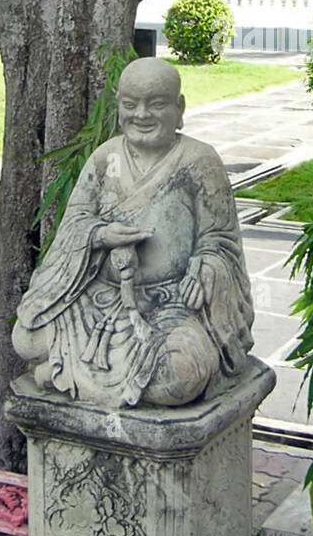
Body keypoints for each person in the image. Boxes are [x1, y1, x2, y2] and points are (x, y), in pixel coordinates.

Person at [14, 57, 255, 409]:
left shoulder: (198, 161)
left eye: (156, 104)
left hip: (170, 305)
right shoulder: (104, 157)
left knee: (180, 375)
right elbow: (75, 223)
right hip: (99, 299)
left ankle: (62, 374)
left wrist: (205, 266)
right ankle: (80, 374)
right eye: (130, 105)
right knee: (26, 337)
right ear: (119, 107)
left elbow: (221, 240)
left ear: (179, 107)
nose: (141, 114)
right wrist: (99, 236)